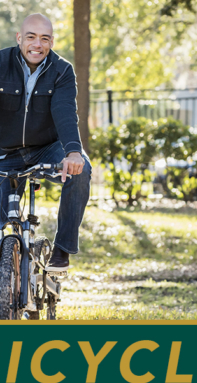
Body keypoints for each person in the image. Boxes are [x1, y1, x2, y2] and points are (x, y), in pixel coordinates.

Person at [0, 13, 91, 272]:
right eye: (31, 37)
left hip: (47, 149)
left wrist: (73, 152)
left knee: (82, 169)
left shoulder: (62, 70)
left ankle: (62, 249)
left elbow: (64, 111)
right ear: (19, 38)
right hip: (6, 152)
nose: (37, 44)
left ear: (51, 42)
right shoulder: (0, 63)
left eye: (44, 39)